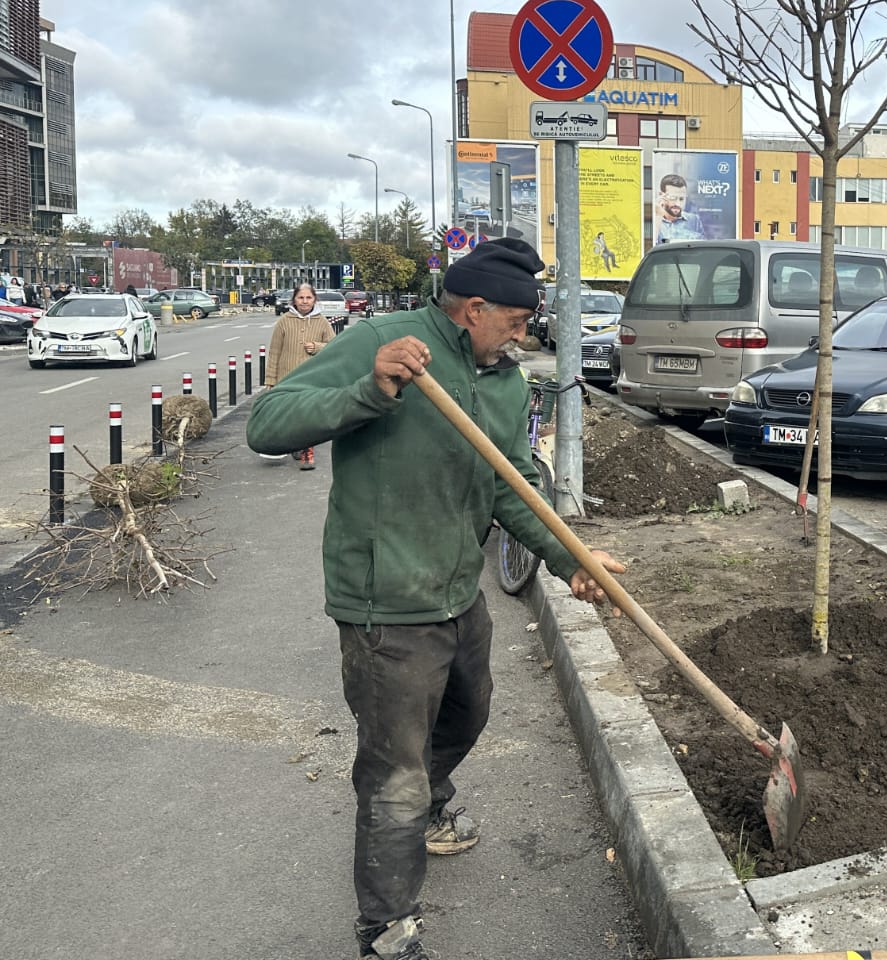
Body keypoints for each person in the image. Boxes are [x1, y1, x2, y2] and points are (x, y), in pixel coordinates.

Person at [246, 238, 625, 960]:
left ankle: (427, 807)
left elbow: (512, 483)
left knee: (469, 711)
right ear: (474, 308)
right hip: (386, 602)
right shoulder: (387, 342)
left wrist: (567, 556)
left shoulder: (505, 381)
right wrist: (370, 391)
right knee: (394, 772)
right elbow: (268, 425)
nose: (524, 334)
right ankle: (385, 929)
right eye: (514, 320)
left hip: (456, 590)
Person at [263, 282, 336, 469]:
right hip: (286, 378)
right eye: (301, 298)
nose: (305, 301)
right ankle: (294, 444)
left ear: (314, 300)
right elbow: (274, 352)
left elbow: (336, 347)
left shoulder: (321, 321)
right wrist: (271, 380)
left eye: (308, 298)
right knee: (290, 415)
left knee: (307, 416)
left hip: (311, 379)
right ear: (294, 300)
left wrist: (318, 347)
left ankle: (307, 454)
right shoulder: (284, 321)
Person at [655, 172, 705, 243]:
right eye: (673, 198)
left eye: (681, 199)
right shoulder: (655, 221)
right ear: (661, 195)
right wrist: (658, 216)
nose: (678, 204)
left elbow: (702, 247)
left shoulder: (694, 220)